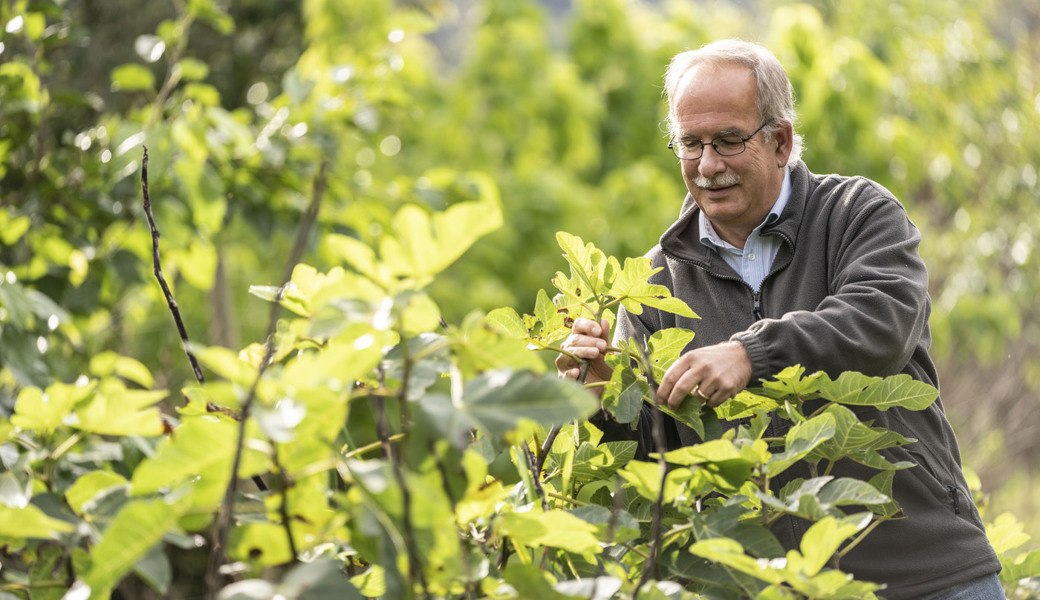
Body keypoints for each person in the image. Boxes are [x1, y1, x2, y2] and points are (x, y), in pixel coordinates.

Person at [556, 39, 1003, 600]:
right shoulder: (653, 285)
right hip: (770, 588)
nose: (708, 165)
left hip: (926, 574)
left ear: (781, 141)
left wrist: (750, 355)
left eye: (728, 141)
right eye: (690, 144)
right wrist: (603, 404)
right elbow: (661, 458)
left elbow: (881, 320)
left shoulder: (856, 214)